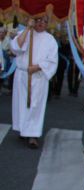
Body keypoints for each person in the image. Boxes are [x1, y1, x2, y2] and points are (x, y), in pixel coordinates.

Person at [10, 16, 58, 149]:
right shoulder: (25, 34)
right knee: (21, 103)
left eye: (44, 21)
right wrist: (27, 29)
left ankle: (33, 134)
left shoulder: (50, 40)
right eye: (38, 20)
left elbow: (52, 60)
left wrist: (37, 67)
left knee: (35, 105)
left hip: (38, 76)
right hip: (22, 75)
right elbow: (16, 48)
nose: (41, 23)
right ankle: (23, 129)